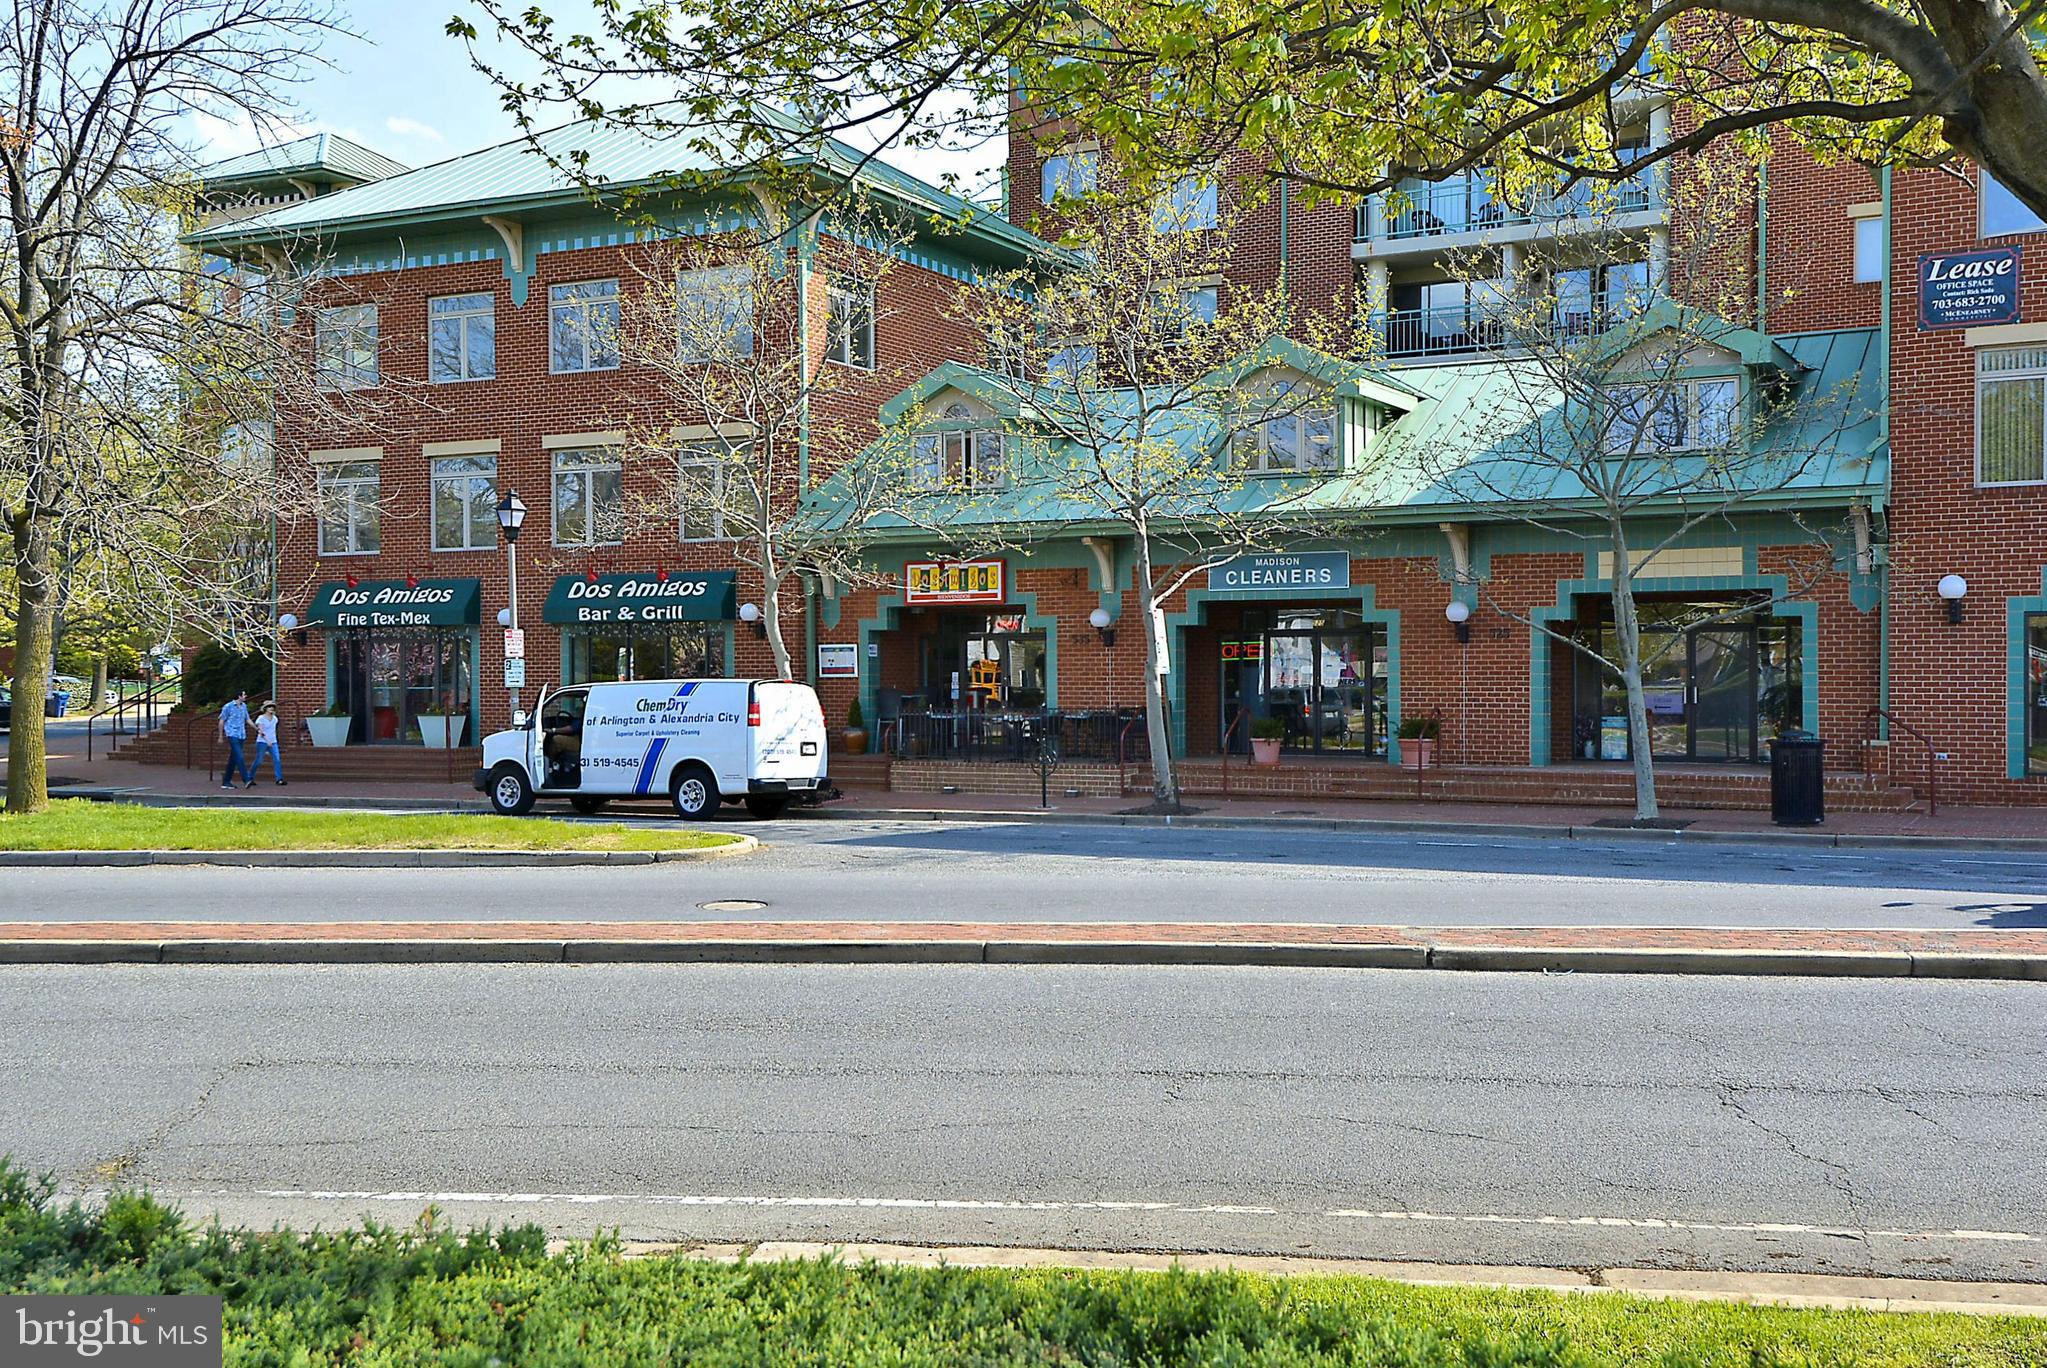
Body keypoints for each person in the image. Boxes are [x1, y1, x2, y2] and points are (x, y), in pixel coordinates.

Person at [218, 689, 254, 790]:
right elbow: (221, 720)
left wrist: (256, 728)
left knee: (233, 759)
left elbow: (247, 719)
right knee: (240, 756)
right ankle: (246, 779)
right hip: (232, 734)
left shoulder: (244, 707)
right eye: (244, 694)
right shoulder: (228, 706)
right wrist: (221, 736)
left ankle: (226, 781)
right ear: (239, 696)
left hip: (241, 735)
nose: (245, 696)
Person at [248, 701, 287, 787]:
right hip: (262, 742)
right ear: (265, 708)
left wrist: (272, 741)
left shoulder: (275, 718)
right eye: (269, 707)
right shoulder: (261, 718)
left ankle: (279, 779)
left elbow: (273, 730)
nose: (271, 709)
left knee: (277, 759)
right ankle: (250, 777)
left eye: (272, 707)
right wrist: (267, 740)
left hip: (273, 742)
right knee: (259, 760)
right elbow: (260, 731)